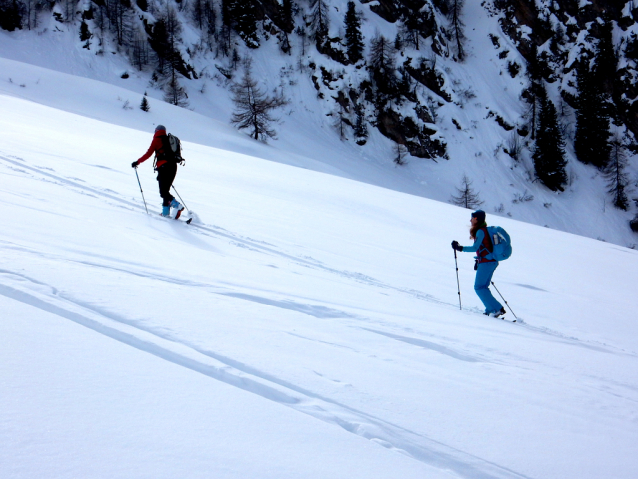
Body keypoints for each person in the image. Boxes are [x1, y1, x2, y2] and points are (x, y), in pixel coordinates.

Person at [451, 210, 506, 317]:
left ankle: (497, 308)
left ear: (476, 219)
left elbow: (475, 247)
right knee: (483, 287)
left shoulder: (480, 231)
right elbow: (484, 248)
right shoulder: (485, 230)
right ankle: (490, 309)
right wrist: (478, 260)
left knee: (479, 287)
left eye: (472, 218)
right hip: (490, 261)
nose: (470, 220)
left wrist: (460, 248)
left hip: (487, 262)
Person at [131, 125, 184, 218]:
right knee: (166, 191)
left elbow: (148, 153)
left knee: (163, 192)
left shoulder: (157, 140)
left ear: (156, 131)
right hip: (173, 166)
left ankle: (177, 206)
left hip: (164, 167)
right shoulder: (169, 139)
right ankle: (165, 212)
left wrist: (137, 162)